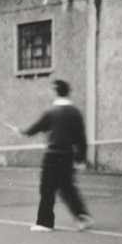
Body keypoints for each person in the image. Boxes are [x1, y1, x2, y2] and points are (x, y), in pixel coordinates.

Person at [22, 79, 92, 232]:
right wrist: (81, 158)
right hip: (68, 155)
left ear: (55, 92)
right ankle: (82, 215)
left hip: (52, 156)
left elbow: (35, 129)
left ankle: (44, 223)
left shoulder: (51, 112)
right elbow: (81, 138)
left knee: (47, 188)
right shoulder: (75, 112)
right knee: (67, 187)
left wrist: (23, 132)